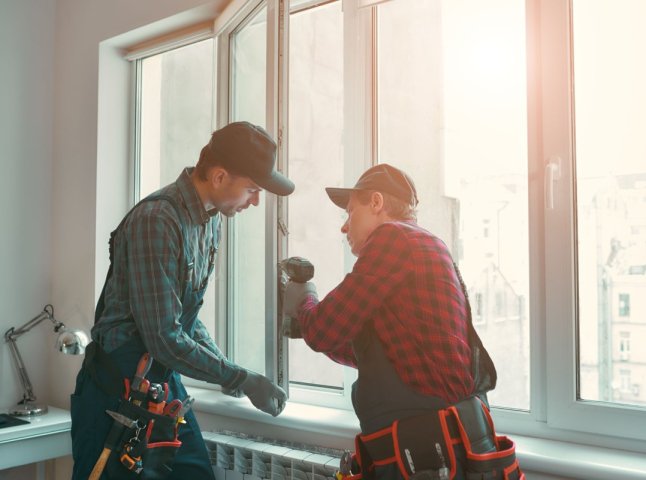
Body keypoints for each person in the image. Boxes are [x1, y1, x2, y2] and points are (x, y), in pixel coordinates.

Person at [71, 121, 292, 480]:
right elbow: (164, 336)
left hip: (159, 378)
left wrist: (225, 371)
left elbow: (185, 318)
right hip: (117, 386)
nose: (255, 201)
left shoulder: (209, 221)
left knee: (195, 472)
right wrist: (241, 379)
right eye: (252, 189)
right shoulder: (157, 220)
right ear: (219, 177)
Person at [283, 164, 499, 480]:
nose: (344, 228)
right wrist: (307, 321)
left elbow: (324, 330)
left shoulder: (394, 238)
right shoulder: (427, 245)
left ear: (376, 203)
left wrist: (304, 299)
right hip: (446, 441)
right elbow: (374, 353)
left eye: (350, 212)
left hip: (428, 445)